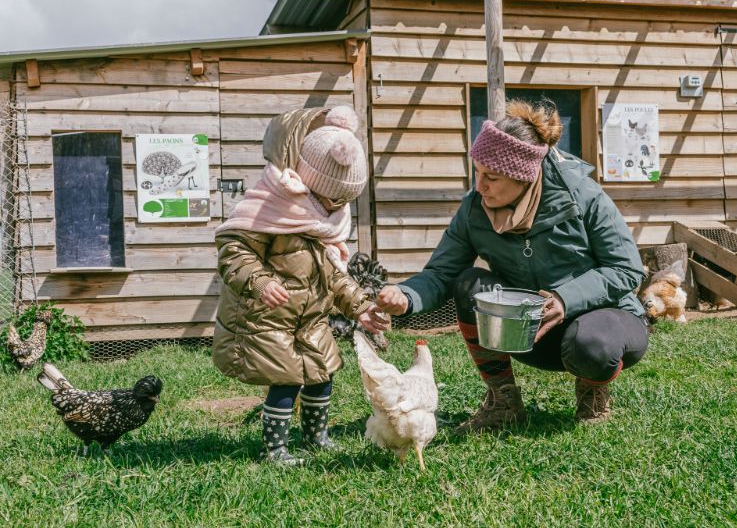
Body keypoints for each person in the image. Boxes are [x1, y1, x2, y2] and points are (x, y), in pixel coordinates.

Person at [377, 99, 649, 434]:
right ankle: (503, 401)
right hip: (530, 332)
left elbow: (626, 269)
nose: (480, 186)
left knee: (591, 344)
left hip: (605, 325)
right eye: (478, 172)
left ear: (525, 175)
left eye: (491, 176)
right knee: (468, 283)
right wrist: (405, 296)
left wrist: (565, 300)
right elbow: (442, 274)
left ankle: (592, 393)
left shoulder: (583, 196)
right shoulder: (475, 210)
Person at [212, 105, 388, 465]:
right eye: (331, 198)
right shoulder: (270, 209)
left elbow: (334, 274)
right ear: (310, 180)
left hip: (310, 318)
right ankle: (275, 449)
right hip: (269, 316)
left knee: (322, 374)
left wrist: (361, 307)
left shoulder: (322, 219)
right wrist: (259, 282)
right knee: (286, 379)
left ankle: (316, 437)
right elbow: (234, 252)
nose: (336, 207)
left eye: (343, 200)